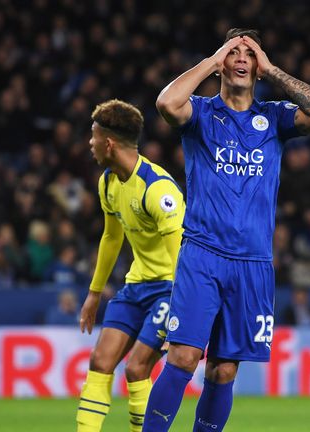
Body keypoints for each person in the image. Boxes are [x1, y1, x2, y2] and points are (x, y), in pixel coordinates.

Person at [143, 28, 310, 432]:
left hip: (253, 262)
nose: (242, 58)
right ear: (223, 64)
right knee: (182, 357)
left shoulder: (275, 118)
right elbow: (165, 102)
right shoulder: (200, 113)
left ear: (258, 64)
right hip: (202, 255)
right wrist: (211, 60)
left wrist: (274, 70)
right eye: (234, 52)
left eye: (250, 52)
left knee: (224, 370)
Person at [76, 100, 186, 432]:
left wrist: (183, 315)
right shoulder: (108, 183)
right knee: (100, 362)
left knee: (137, 368)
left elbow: (182, 255)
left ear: (109, 143)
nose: (90, 144)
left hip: (170, 287)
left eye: (93, 136)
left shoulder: (158, 188)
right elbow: (111, 238)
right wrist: (94, 294)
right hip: (136, 285)